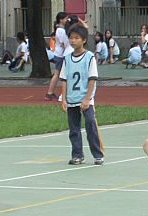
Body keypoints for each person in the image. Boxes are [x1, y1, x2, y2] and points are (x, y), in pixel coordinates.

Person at [59, 24, 104, 166]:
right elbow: (64, 80)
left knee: (90, 124)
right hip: (71, 99)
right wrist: (63, 99)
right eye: (71, 38)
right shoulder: (67, 59)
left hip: (85, 99)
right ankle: (77, 155)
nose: (73, 41)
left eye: (76, 38)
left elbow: (92, 79)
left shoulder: (89, 57)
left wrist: (87, 98)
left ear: (84, 40)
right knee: (74, 129)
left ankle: (97, 154)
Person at [45, 12, 70, 101]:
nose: (67, 20)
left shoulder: (60, 29)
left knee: (57, 74)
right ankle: (50, 93)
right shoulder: (61, 30)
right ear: (61, 20)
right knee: (58, 74)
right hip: (61, 55)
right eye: (66, 18)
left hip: (59, 54)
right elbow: (64, 44)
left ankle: (50, 92)